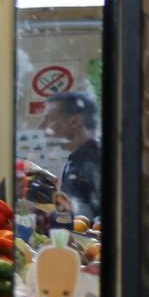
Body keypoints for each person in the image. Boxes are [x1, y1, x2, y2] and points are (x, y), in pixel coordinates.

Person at [42, 91, 101, 223]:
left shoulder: (93, 161)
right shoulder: (78, 158)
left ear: (75, 121)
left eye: (50, 119)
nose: (42, 127)